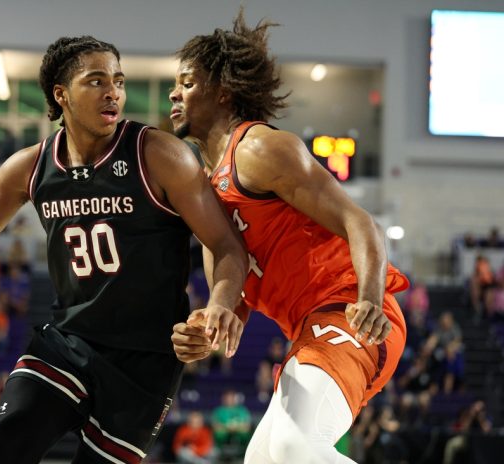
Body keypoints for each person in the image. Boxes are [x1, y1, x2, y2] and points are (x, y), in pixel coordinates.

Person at [0, 35, 247, 464]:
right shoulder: (30, 166)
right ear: (61, 94)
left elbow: (225, 245)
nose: (113, 92)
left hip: (146, 359)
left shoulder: (159, 155)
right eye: (96, 81)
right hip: (68, 341)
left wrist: (219, 305)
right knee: (8, 444)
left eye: (119, 81)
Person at [169, 10, 409, 464]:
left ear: (222, 91)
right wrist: (210, 324)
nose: (174, 93)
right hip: (308, 328)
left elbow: (362, 224)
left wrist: (370, 299)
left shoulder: (258, 149)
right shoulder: (205, 188)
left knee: (294, 448)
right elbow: (231, 292)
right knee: (261, 459)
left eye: (188, 83)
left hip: (348, 312)